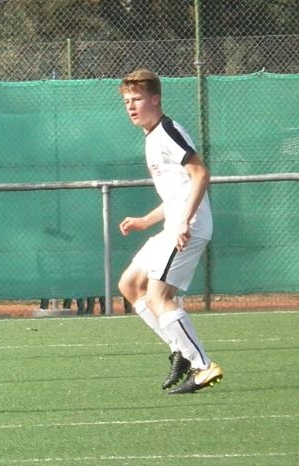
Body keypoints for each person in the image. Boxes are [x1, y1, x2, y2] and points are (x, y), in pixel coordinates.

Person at [117, 69, 223, 394]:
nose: (131, 106)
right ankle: (181, 350)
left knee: (158, 296)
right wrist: (145, 221)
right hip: (173, 226)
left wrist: (184, 222)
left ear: (155, 99)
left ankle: (203, 366)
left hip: (187, 227)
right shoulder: (151, 137)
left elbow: (200, 174)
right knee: (130, 285)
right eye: (126, 100)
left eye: (137, 99)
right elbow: (178, 193)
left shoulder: (167, 131)